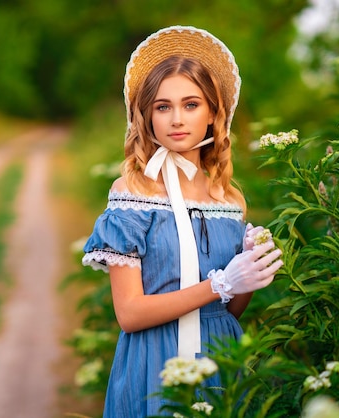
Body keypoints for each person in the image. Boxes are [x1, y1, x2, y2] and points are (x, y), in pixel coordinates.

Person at [82, 25, 283, 417]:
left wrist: (248, 270)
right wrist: (219, 282)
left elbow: (227, 313)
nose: (177, 118)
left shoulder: (229, 198)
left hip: (220, 361)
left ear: (212, 113)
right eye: (163, 106)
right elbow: (130, 314)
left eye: (191, 105)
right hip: (155, 364)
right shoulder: (133, 192)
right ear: (148, 117)